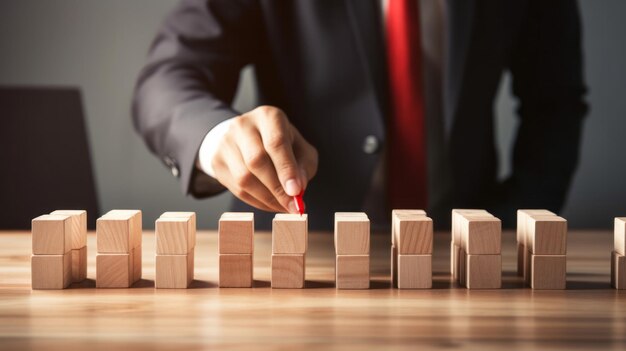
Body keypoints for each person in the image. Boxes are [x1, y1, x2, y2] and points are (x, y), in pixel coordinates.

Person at [132, 0, 588, 230]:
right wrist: (215, 137)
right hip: (296, 255)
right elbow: (169, 76)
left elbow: (556, 103)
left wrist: (512, 227)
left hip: (467, 257)